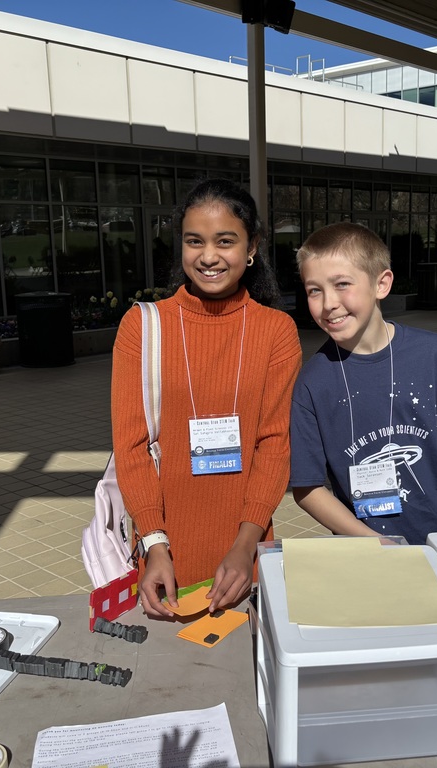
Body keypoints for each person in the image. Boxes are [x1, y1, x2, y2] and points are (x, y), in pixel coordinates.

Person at [111, 179, 303, 617]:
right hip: (162, 560)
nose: (209, 256)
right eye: (194, 241)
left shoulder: (276, 332)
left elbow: (274, 445)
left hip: (245, 556)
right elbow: (132, 446)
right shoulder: (142, 328)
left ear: (251, 247)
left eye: (225, 241)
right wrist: (155, 545)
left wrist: (245, 546)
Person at [289, 222, 437, 545]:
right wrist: (377, 543)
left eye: (342, 284)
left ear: (381, 284)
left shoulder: (435, 354)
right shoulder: (312, 383)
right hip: (370, 552)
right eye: (314, 290)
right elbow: (307, 487)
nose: (328, 302)